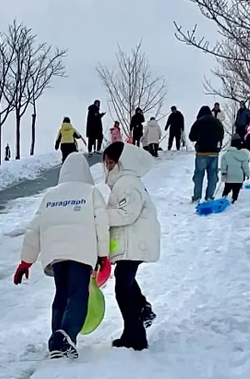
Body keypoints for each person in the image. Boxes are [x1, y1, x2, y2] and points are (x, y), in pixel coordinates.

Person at [14, 153, 110, 359]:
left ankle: (56, 340)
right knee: (78, 295)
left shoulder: (50, 195)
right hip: (82, 253)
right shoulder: (91, 192)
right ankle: (65, 336)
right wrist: (103, 256)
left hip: (56, 256)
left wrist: (25, 261)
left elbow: (34, 230)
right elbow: (101, 225)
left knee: (61, 294)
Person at [101, 141, 160, 352]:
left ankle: (136, 335)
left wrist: (99, 215)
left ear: (121, 163)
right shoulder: (125, 182)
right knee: (124, 281)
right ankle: (141, 314)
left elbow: (128, 213)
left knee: (123, 286)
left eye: (110, 162)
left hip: (135, 240)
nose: (107, 167)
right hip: (131, 240)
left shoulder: (127, 182)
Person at [189, 104, 225, 202]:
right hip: (214, 153)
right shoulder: (217, 122)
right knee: (213, 176)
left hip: (201, 153)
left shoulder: (198, 122)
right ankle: (210, 196)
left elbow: (191, 137)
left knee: (198, 176)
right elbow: (221, 135)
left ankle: (197, 197)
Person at [219, 135, 250, 202]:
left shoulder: (226, 155)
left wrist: (223, 172)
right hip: (239, 176)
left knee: (227, 189)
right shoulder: (243, 155)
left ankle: (223, 199)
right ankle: (234, 200)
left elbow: (223, 165)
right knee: (236, 190)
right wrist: (248, 173)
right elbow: (245, 166)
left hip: (229, 175)